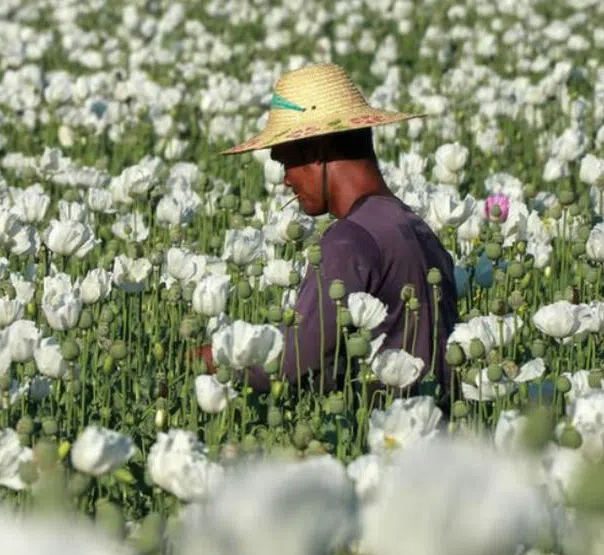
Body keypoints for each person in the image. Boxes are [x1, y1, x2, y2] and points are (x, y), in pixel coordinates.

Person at [196, 62, 459, 409]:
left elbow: (291, 367)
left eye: (285, 162)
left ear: (316, 153)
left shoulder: (348, 241)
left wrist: (215, 359)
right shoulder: (417, 227)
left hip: (381, 435)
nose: (285, 180)